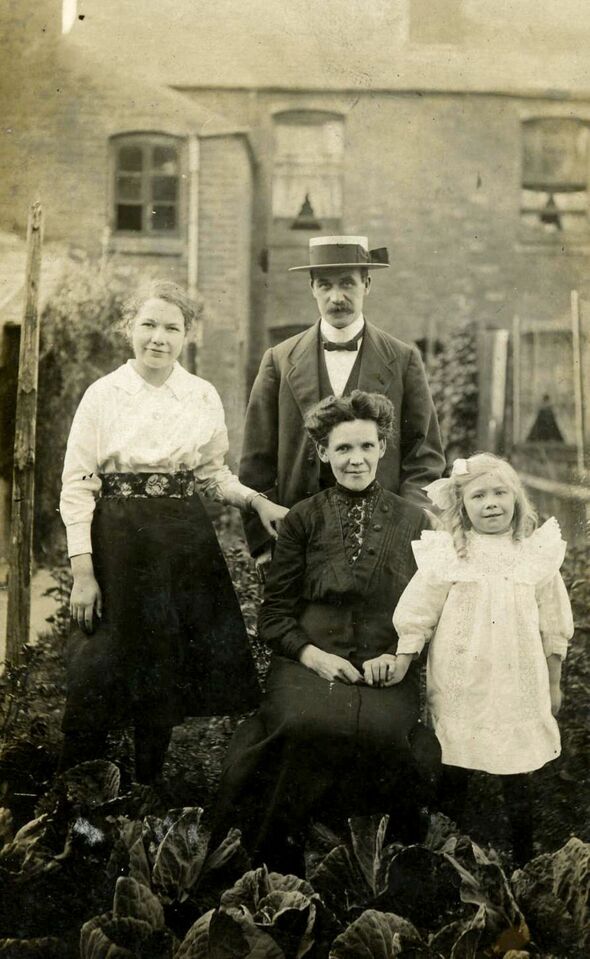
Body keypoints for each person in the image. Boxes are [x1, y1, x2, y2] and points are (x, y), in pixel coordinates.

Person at [59, 280, 288, 783]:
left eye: (171, 327)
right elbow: (77, 484)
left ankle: (146, 789)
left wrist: (256, 500)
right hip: (116, 543)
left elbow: (212, 474)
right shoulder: (103, 394)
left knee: (161, 667)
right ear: (128, 329)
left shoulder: (200, 395)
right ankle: (78, 804)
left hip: (180, 542)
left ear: (187, 335)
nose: (158, 338)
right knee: (94, 668)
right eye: (148, 325)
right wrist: (83, 572)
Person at [214, 390, 440, 873]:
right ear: (323, 453)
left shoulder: (417, 521)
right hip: (306, 662)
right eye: (342, 449)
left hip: (385, 662)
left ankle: (379, 864)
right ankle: (279, 860)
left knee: (385, 733)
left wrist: (400, 656)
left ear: (382, 448)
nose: (355, 459)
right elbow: (273, 617)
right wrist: (312, 655)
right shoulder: (302, 519)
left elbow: (432, 607)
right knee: (302, 724)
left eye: (365, 447)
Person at [392, 453, 574, 864]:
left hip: (517, 680)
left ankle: (525, 856)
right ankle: (446, 853)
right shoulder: (452, 553)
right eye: (478, 496)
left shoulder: (534, 554)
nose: (491, 503)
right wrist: (406, 654)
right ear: (462, 506)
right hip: (464, 678)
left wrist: (554, 679)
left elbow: (553, 620)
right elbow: (419, 610)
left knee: (517, 771)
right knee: (455, 764)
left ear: (517, 499)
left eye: (499, 492)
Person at [239, 235, 445, 567]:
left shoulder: (403, 359)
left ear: (367, 284)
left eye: (347, 283)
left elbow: (424, 454)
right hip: (300, 540)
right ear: (312, 288)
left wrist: (412, 525)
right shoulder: (278, 359)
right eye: (325, 285)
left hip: (384, 543)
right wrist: (263, 544)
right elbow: (256, 460)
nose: (337, 297)